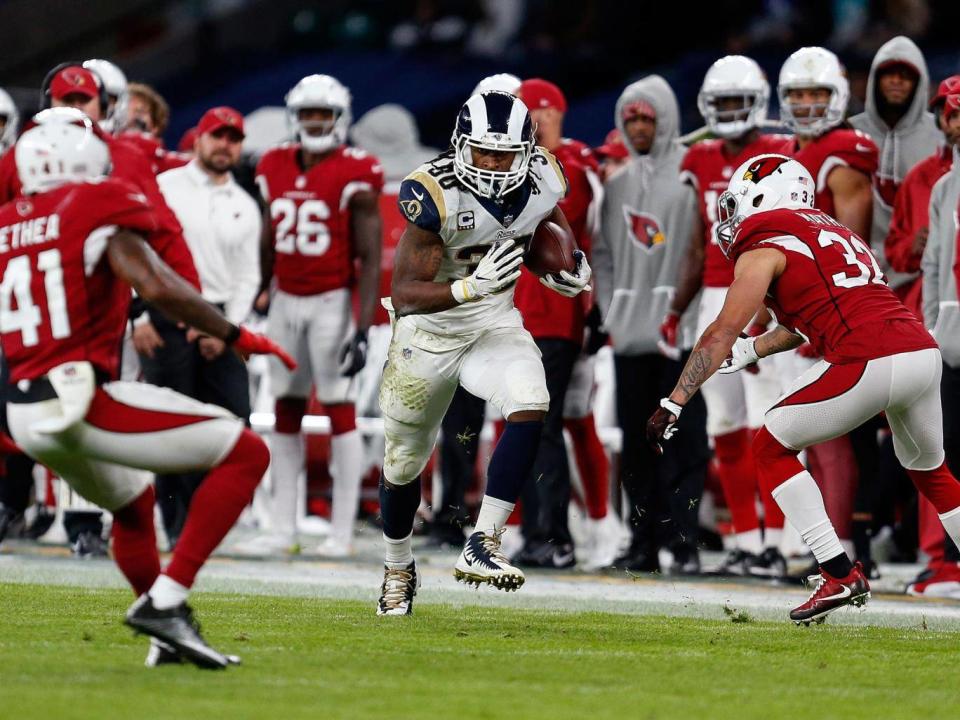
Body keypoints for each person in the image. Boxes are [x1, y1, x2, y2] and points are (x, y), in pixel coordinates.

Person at [0, 109, 294, 666]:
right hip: (80, 399)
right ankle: (167, 601)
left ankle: (166, 637)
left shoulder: (8, 223)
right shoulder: (89, 204)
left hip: (24, 410)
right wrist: (236, 334)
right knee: (246, 451)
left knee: (134, 507)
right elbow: (156, 282)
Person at [647, 153, 960, 624]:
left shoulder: (766, 242)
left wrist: (674, 401)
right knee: (933, 474)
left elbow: (719, 331)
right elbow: (805, 321)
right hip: (920, 352)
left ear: (760, 198)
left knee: (769, 444)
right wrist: (753, 351)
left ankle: (838, 573)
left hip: (868, 358)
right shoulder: (828, 231)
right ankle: (840, 572)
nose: (732, 218)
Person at [376, 90, 590, 615]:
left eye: (505, 154)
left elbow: (546, 219)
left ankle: (484, 541)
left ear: (526, 152)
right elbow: (404, 292)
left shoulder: (543, 176)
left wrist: (564, 263)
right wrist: (467, 288)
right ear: (460, 148)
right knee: (404, 461)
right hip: (426, 334)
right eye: (483, 153)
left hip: (492, 323)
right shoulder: (435, 193)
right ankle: (398, 567)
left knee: (531, 397)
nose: (494, 165)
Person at [0, 63, 201, 555]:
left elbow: (163, 234)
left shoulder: (122, 156)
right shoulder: (16, 160)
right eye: (63, 100)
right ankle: (13, 502)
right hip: (25, 313)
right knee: (22, 412)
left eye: (81, 101)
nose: (70, 111)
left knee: (82, 417)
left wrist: (180, 307)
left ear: (104, 107)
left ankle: (85, 521)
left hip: (96, 315)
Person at [665, 55, 790, 576]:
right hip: (717, 295)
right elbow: (697, 244)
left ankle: (781, 543)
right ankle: (745, 538)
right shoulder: (698, 160)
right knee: (724, 424)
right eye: (724, 104)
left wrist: (766, 311)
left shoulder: (782, 151)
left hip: (767, 290)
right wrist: (676, 306)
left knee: (773, 423)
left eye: (740, 102)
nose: (733, 113)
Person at [255, 74, 383, 556]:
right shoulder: (273, 164)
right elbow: (269, 238)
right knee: (285, 408)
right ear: (294, 117)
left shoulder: (357, 170)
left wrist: (365, 325)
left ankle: (341, 532)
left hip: (331, 301)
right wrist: (259, 292)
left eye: (322, 114)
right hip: (285, 300)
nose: (314, 122)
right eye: (307, 113)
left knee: (338, 408)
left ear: (340, 119)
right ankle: (282, 528)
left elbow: (369, 257)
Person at [592, 76, 708, 574]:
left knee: (684, 440)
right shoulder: (615, 186)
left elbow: (702, 250)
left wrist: (688, 313)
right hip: (630, 335)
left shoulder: (692, 175)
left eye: (647, 117)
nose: (639, 127)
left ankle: (683, 542)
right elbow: (601, 255)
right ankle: (642, 542)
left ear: (666, 119)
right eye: (632, 118)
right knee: (637, 445)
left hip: (680, 335)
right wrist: (610, 310)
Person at [777, 47, 879, 573]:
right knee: (819, 435)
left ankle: (843, 546)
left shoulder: (845, 150)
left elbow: (852, 245)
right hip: (807, 307)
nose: (809, 104)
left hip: (843, 307)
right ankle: (836, 546)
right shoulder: (795, 148)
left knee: (833, 433)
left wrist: (828, 315)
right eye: (798, 94)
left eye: (818, 93)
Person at [509, 77, 610, 569]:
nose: (530, 121)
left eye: (536, 112)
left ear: (553, 113)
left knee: (541, 425)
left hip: (556, 312)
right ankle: (535, 531)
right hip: (516, 311)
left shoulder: (571, 162)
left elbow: (554, 217)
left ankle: (556, 535)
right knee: (525, 423)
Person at [150, 107, 261, 547]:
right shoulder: (166, 186)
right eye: (218, 136)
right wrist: (147, 311)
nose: (225, 145)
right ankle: (176, 524)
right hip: (165, 309)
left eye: (233, 138)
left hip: (219, 313)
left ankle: (206, 523)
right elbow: (143, 253)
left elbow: (249, 275)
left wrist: (225, 327)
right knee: (170, 427)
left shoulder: (244, 204)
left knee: (235, 421)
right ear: (198, 138)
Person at [849, 36, 940, 291]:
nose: (897, 81)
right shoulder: (849, 133)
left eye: (906, 75)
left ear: (920, 82)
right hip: (857, 272)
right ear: (874, 80)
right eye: (888, 74)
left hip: (922, 273)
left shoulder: (941, 136)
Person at [916, 90, 960, 599]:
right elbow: (932, 266)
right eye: (953, 113)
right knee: (947, 454)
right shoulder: (944, 186)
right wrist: (932, 326)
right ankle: (950, 559)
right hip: (948, 342)